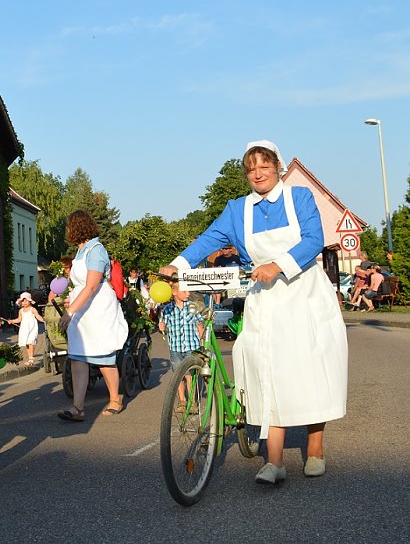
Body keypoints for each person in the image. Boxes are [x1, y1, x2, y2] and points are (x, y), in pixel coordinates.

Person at [160, 140, 347, 485]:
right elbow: (209, 239)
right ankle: (274, 461)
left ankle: (315, 448)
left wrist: (278, 265)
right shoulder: (238, 209)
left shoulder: (299, 197)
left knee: (309, 367)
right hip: (266, 298)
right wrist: (178, 264)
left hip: (304, 292)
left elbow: (312, 240)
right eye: (251, 169)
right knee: (266, 369)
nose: (258, 174)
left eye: (264, 166)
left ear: (277, 167)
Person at [57, 210, 129, 421]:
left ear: (77, 227)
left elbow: (91, 286)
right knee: (78, 358)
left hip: (97, 309)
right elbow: (81, 286)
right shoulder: (80, 251)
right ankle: (78, 408)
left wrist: (70, 311)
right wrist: (72, 300)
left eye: (69, 226)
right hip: (83, 310)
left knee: (103, 357)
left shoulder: (96, 250)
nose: (67, 230)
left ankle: (115, 399)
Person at [157, 282, 204, 408]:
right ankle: (182, 401)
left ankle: (192, 402)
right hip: (175, 347)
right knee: (178, 376)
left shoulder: (192, 307)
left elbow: (199, 325)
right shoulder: (167, 309)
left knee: (190, 375)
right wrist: (162, 327)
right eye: (184, 291)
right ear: (174, 292)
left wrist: (202, 342)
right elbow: (165, 328)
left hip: (191, 346)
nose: (188, 294)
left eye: (188, 291)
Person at [6, 292, 45, 365]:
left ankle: (31, 358)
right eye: (23, 301)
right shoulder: (21, 311)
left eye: (26, 301)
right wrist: (12, 321)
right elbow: (19, 319)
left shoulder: (32, 309)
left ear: (30, 301)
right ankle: (30, 357)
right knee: (27, 342)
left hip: (32, 328)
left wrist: (43, 320)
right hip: (24, 329)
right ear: (21, 302)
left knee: (31, 341)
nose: (25, 303)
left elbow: (37, 316)